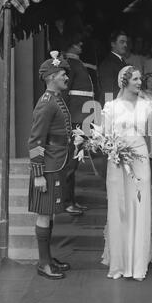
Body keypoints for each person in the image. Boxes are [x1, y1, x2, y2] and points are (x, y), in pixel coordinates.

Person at [101, 66, 152, 281]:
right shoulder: (111, 107)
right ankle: (120, 263)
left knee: (139, 205)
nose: (140, 82)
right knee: (120, 207)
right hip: (117, 162)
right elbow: (104, 136)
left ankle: (138, 263)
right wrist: (113, 149)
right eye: (136, 79)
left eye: (140, 79)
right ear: (125, 82)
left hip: (140, 159)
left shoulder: (148, 106)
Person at [28, 52, 72, 280]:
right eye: (63, 73)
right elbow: (35, 141)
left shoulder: (56, 98)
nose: (66, 77)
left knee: (50, 214)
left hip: (57, 163)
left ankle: (48, 259)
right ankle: (43, 263)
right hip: (47, 167)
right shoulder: (46, 103)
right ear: (52, 76)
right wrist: (38, 174)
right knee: (44, 214)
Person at [63, 33, 94, 216]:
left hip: (81, 119)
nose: (81, 43)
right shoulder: (68, 63)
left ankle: (71, 200)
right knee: (70, 163)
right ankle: (67, 201)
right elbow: (65, 93)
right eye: (76, 41)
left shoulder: (77, 62)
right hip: (74, 119)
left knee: (74, 162)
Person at [98, 30, 127, 106]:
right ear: (113, 44)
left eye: (126, 42)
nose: (125, 45)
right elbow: (108, 90)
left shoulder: (122, 62)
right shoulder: (108, 63)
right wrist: (110, 110)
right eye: (122, 42)